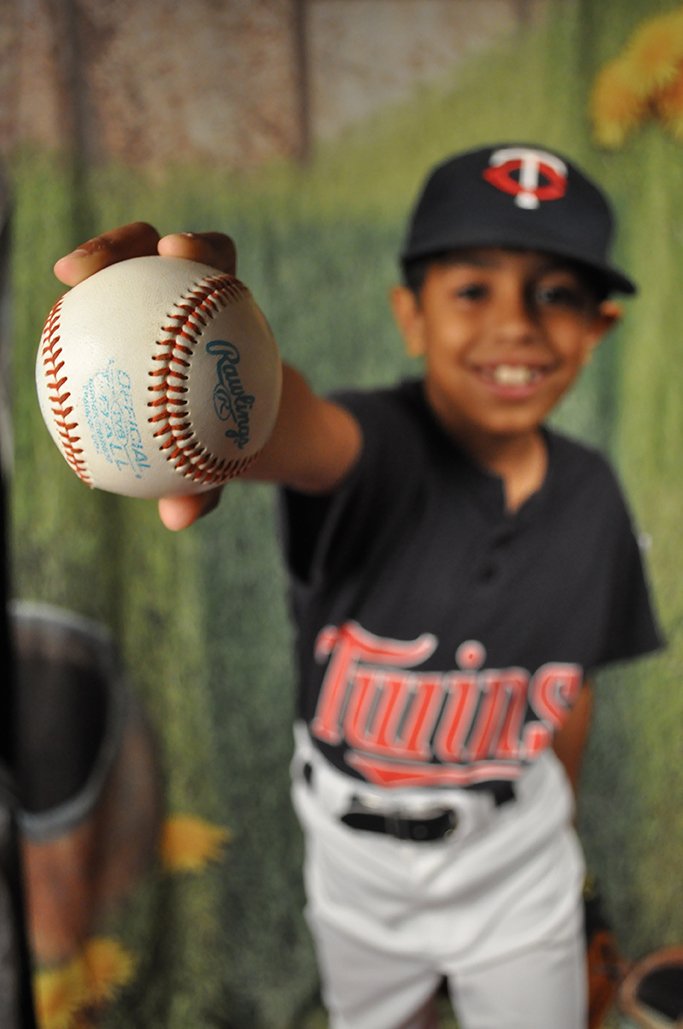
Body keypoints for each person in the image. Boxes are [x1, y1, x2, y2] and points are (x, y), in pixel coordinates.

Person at [54, 144, 662, 1029]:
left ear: (596, 327)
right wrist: (224, 388)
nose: (518, 324)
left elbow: (566, 694)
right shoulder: (373, 444)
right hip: (355, 867)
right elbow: (300, 430)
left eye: (557, 293)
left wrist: (563, 850)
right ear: (408, 316)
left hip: (516, 862)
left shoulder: (591, 496)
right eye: (471, 289)